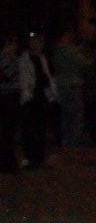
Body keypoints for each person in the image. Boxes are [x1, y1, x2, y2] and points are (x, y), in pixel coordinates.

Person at [18, 32, 56, 169]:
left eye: (40, 42)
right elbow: (25, 79)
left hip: (41, 96)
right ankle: (29, 158)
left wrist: (51, 93)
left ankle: (39, 157)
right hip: (30, 97)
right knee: (29, 130)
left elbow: (47, 76)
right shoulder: (24, 59)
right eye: (36, 41)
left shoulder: (42, 58)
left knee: (40, 128)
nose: (39, 45)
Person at [52, 29, 87, 147]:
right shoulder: (72, 51)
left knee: (64, 114)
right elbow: (83, 63)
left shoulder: (56, 52)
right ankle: (74, 140)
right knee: (75, 114)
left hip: (61, 84)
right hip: (73, 84)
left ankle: (65, 139)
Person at [0, 32, 21, 171]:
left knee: (8, 130)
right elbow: (7, 74)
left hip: (8, 95)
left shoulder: (9, 56)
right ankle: (7, 162)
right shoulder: (8, 57)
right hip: (8, 95)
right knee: (7, 130)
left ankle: (8, 161)